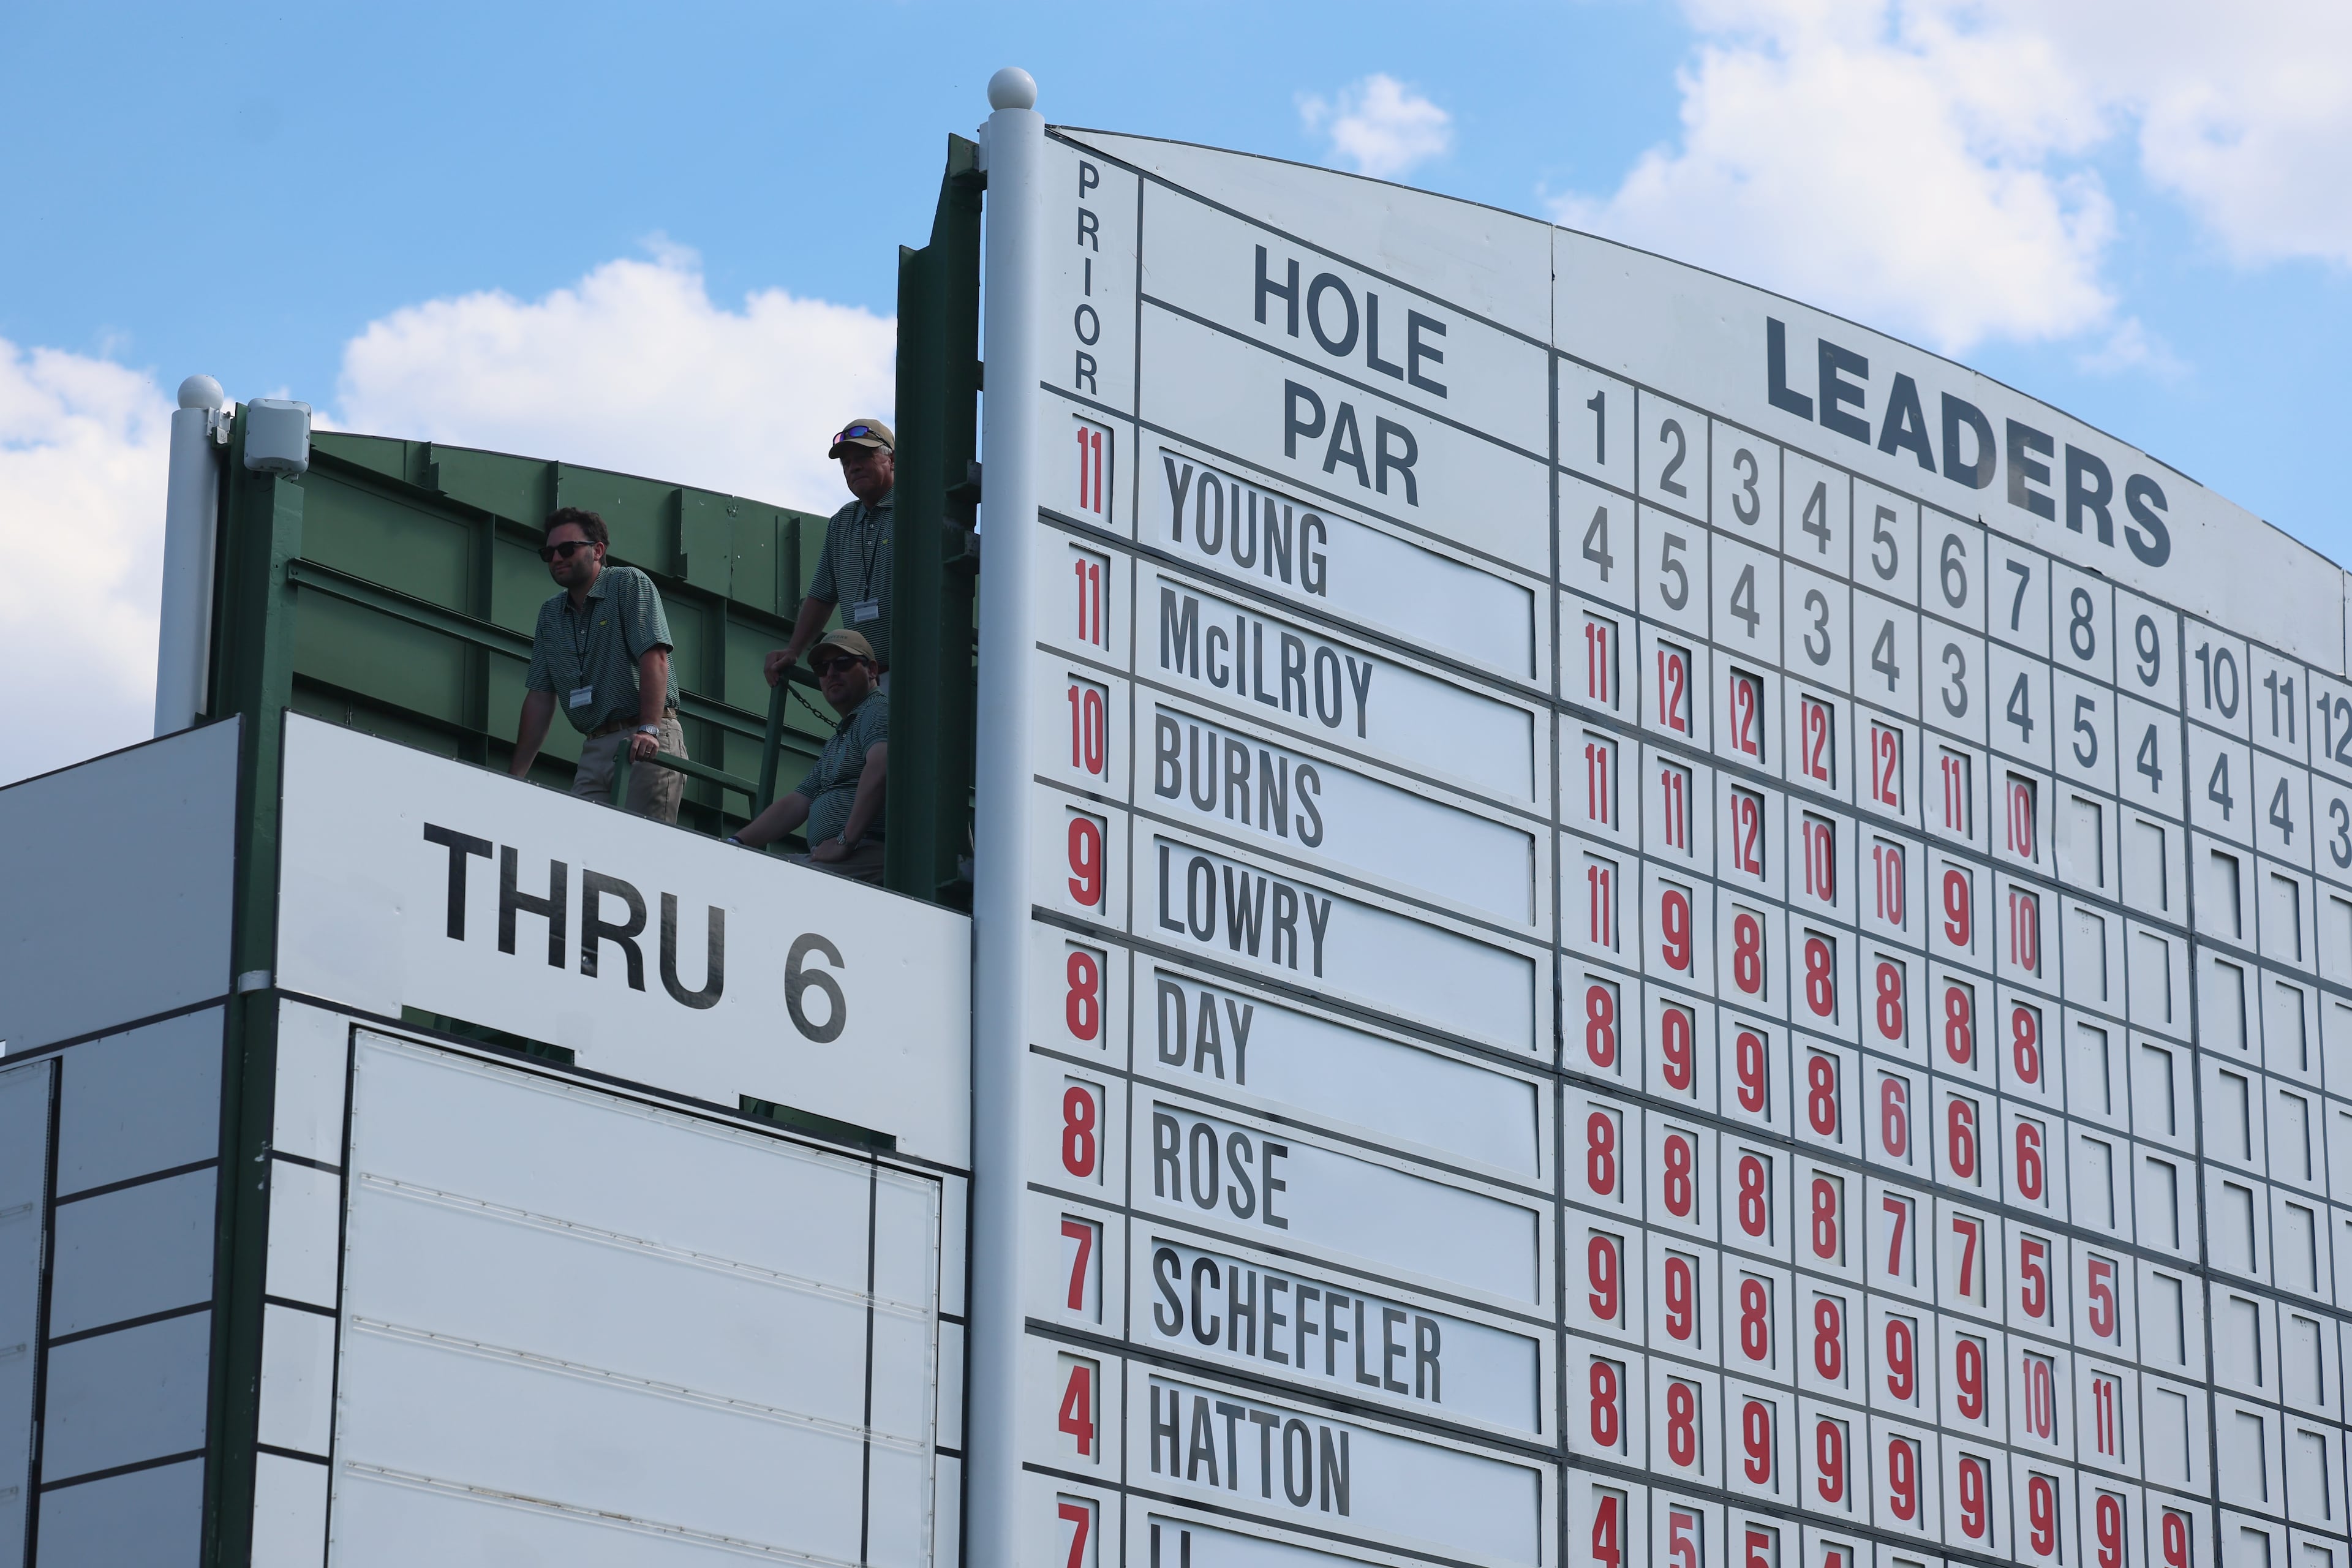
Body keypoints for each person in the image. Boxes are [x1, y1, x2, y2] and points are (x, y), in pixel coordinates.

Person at [510, 507, 687, 823]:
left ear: (598, 551)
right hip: (594, 746)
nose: (556, 558)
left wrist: (649, 729)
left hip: (645, 736)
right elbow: (539, 696)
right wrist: (515, 778)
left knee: (638, 848)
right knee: (583, 851)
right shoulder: (550, 614)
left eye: (566, 549)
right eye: (548, 553)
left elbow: (656, 657)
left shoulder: (628, 583)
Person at [731, 629, 888, 881]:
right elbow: (798, 802)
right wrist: (736, 842)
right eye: (821, 668)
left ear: (871, 670)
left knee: (773, 883)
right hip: (839, 858)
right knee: (749, 874)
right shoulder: (842, 736)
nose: (831, 673)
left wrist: (845, 842)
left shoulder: (877, 711)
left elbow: (881, 767)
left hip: (869, 853)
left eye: (843, 663)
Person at [765, 418, 895, 691]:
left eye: (863, 456)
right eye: (846, 463)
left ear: (892, 460)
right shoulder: (842, 522)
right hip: (868, 680)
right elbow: (822, 595)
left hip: (919, 670)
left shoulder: (915, 507)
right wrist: (794, 650)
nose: (853, 466)